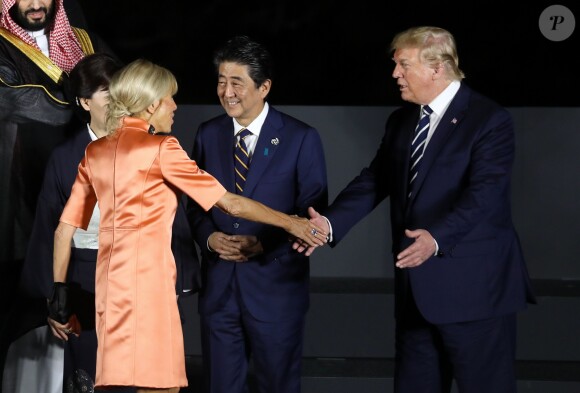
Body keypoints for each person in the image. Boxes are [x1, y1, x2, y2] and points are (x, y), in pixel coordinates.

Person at [47, 58, 326, 393]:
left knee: (114, 385)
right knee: (161, 388)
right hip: (150, 290)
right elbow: (230, 202)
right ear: (151, 105)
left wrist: (59, 291)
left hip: (110, 291)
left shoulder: (94, 152)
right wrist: (291, 223)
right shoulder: (163, 149)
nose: (175, 106)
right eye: (169, 98)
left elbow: (64, 230)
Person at [295, 26, 536, 393]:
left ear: (437, 68)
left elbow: (485, 195)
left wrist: (437, 238)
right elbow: (375, 180)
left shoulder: (489, 120)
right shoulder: (402, 120)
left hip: (476, 295)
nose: (395, 74)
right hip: (415, 298)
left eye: (403, 65)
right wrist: (328, 224)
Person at [186, 35, 328, 393]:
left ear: (264, 87)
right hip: (220, 290)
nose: (226, 91)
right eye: (221, 80)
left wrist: (265, 244)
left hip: (276, 289)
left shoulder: (300, 138)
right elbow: (194, 204)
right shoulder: (208, 134)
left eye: (237, 82)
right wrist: (209, 237)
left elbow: (311, 212)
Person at [0, 0, 115, 389]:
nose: (35, 4)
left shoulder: (83, 39)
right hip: (17, 190)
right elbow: (33, 105)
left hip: (85, 187)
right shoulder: (2, 44)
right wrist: (85, 98)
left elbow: (122, 92)